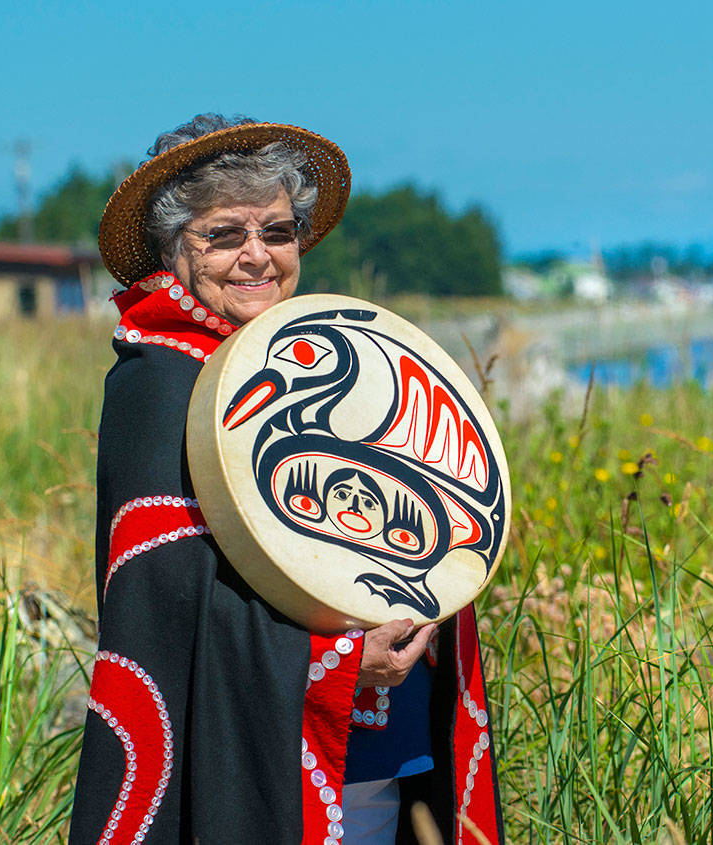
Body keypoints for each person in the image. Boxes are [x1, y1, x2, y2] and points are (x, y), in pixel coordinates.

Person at [68, 114, 503, 845]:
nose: (256, 256)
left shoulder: (319, 354)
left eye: (276, 231)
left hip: (381, 745)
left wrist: (431, 591)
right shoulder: (161, 381)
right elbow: (166, 601)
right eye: (224, 234)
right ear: (174, 247)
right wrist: (337, 658)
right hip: (266, 765)